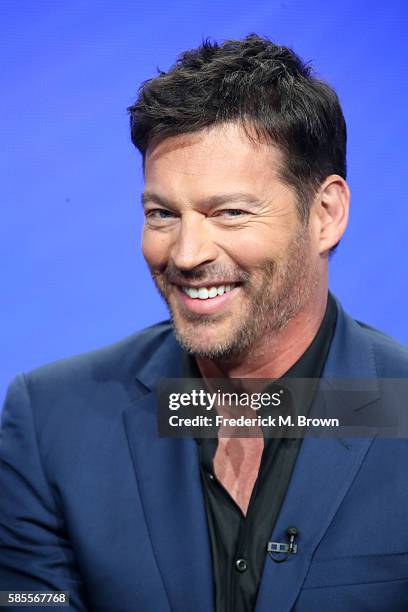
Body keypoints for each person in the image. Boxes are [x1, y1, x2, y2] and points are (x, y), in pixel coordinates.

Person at [1, 34, 407, 612]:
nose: (187, 254)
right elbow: (23, 600)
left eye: (229, 213)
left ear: (326, 215)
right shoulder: (50, 424)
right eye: (162, 214)